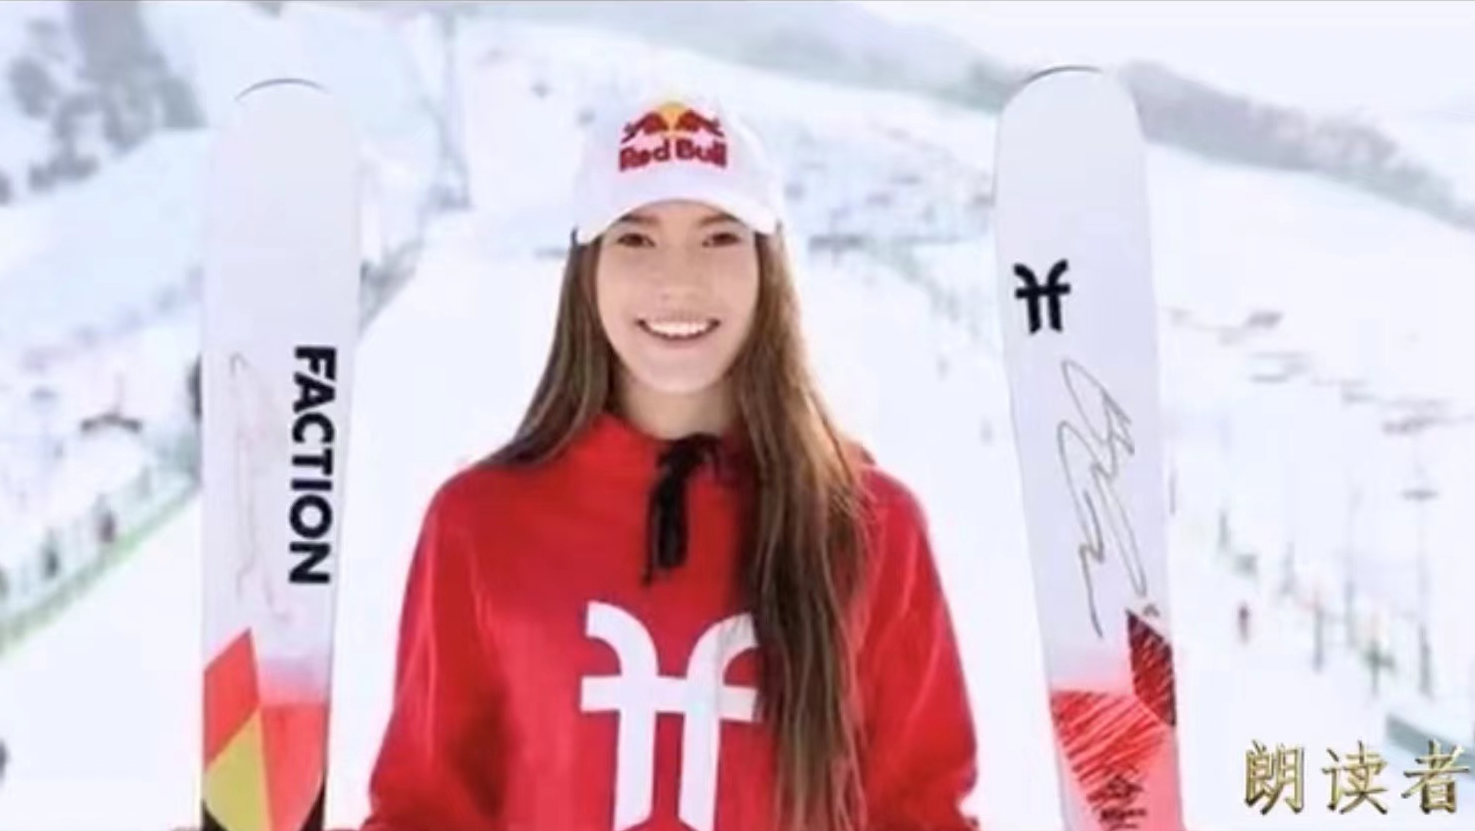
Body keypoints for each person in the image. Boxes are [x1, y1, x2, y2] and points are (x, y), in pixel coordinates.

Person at [361, 93, 980, 831]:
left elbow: (920, 811)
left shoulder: (870, 526)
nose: (678, 280)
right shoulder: (481, 524)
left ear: (767, 267)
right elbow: (427, 809)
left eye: (718, 238)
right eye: (636, 238)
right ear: (587, 271)